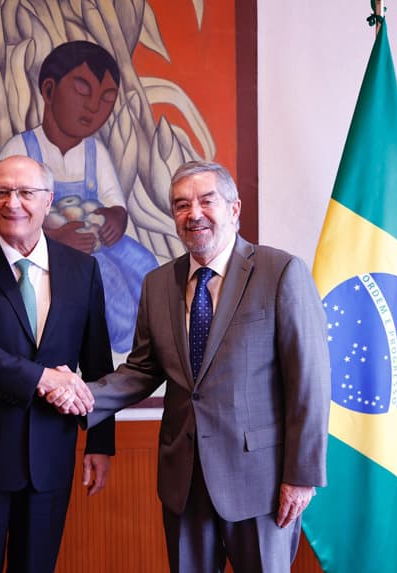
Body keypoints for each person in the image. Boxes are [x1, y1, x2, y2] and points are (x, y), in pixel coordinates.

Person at [48, 160, 331, 572]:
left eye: (206, 200)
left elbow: (310, 382)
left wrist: (302, 475)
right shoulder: (158, 283)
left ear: (234, 208)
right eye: (181, 205)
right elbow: (142, 369)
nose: (193, 213)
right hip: (183, 480)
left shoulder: (281, 272)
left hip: (261, 483)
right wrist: (80, 393)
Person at [0, 154, 115, 572]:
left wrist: (100, 443)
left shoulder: (82, 269)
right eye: (1, 192)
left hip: (50, 461)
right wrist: (42, 378)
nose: (12, 203)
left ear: (48, 200)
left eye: (25, 192)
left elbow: (97, 362)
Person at [0, 40, 160, 353]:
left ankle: (153, 340)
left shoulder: (95, 152)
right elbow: (4, 217)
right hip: (53, 251)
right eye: (83, 90)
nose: (94, 107)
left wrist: (115, 217)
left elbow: (115, 202)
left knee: (146, 266)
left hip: (98, 240)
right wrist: (55, 239)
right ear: (48, 90)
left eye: (106, 97)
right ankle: (123, 345)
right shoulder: (21, 150)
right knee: (108, 281)